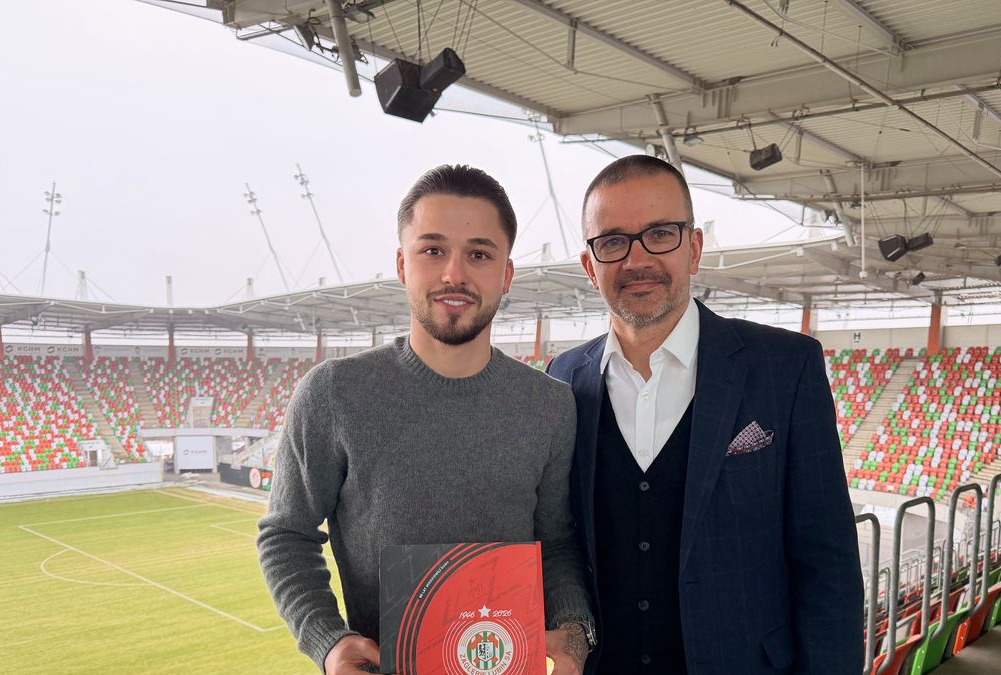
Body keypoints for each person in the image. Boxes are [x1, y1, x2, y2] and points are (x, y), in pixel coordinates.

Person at [258, 164, 595, 675]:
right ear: (402, 264)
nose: (454, 274)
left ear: (506, 275)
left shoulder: (550, 404)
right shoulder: (333, 394)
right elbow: (287, 533)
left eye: (478, 254)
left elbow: (556, 545)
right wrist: (327, 641)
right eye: (433, 250)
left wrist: (573, 630)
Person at [547, 155, 864, 674]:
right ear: (590, 266)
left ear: (693, 248)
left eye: (660, 234)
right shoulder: (563, 378)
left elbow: (828, 564)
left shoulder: (785, 367)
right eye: (613, 241)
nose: (637, 259)